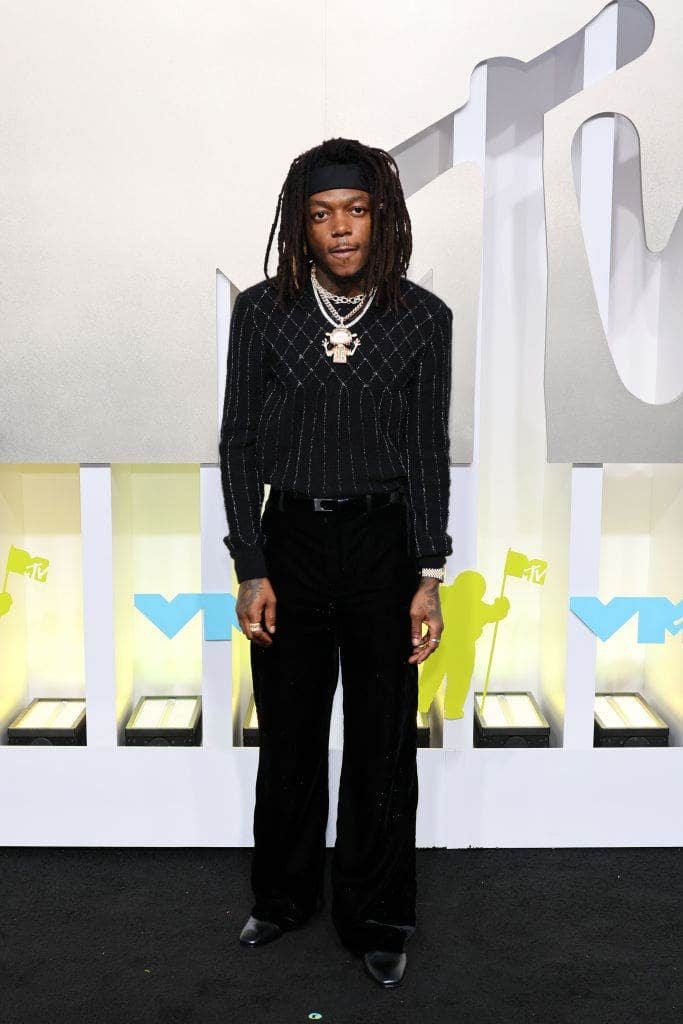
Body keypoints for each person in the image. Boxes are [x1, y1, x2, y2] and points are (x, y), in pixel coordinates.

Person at [219, 137, 453, 989]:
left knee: (383, 740)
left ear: (381, 217)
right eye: (321, 214)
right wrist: (251, 565)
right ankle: (281, 898)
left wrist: (428, 572)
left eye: (355, 209)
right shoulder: (262, 313)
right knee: (287, 731)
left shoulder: (422, 318)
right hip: (290, 544)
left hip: (383, 547)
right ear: (301, 225)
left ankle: (376, 915)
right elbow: (238, 442)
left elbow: (426, 449)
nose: (340, 227)